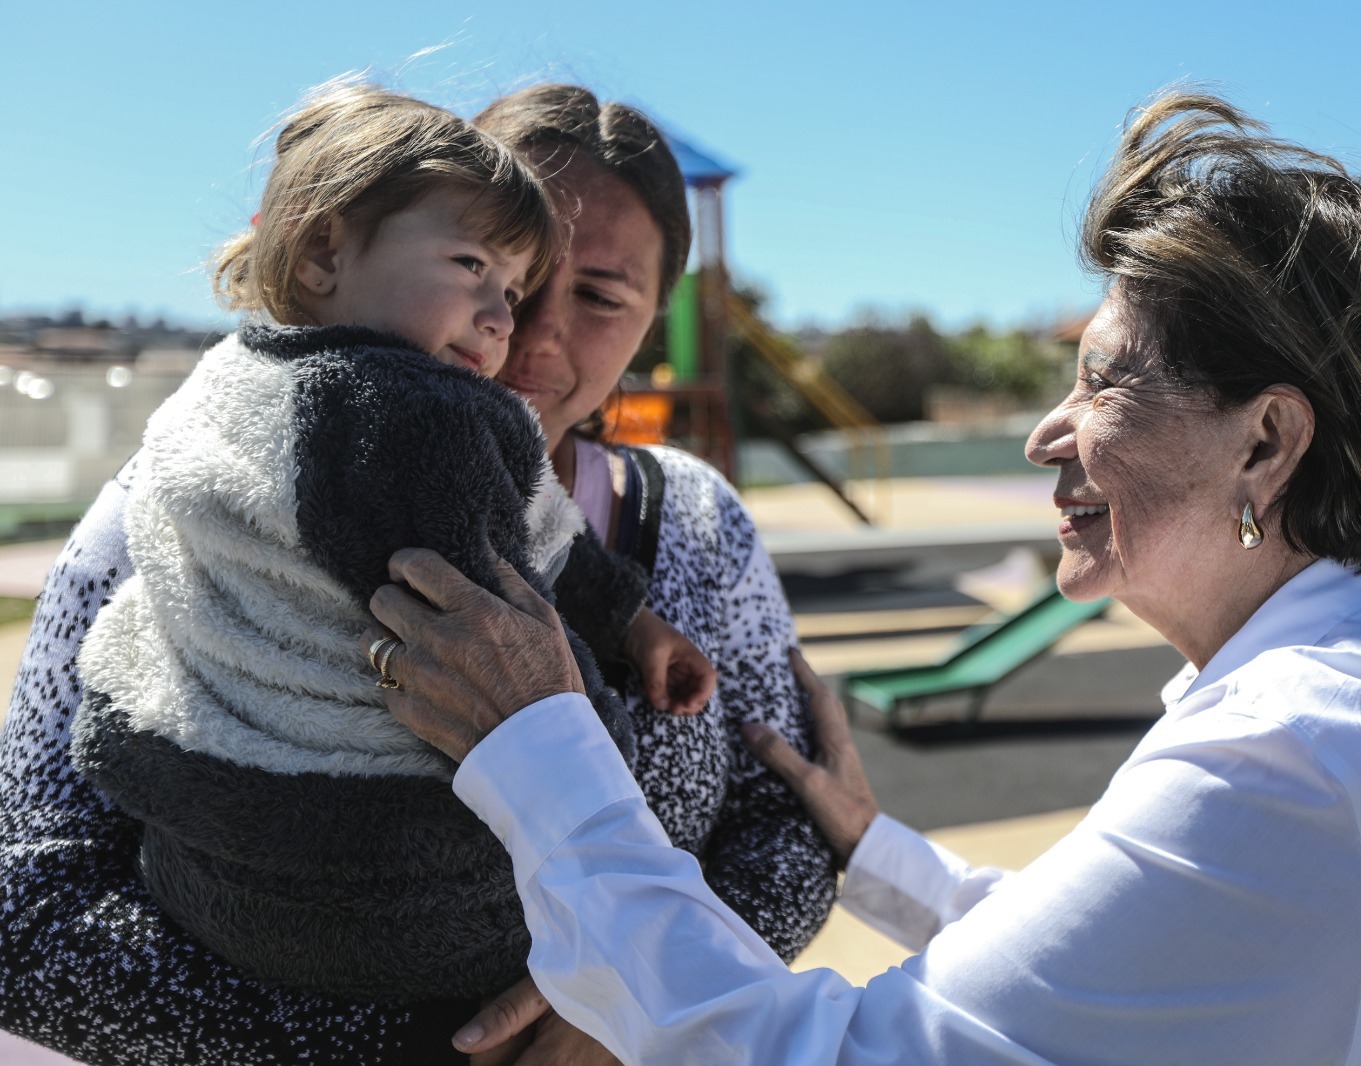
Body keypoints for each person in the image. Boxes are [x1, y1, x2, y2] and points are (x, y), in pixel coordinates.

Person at [370, 90, 1361, 1064]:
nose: (1043, 434)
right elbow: (1135, 974)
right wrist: (875, 849)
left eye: (1105, 381)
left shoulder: (1300, 756)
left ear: (1267, 443)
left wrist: (538, 743)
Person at [0, 83, 834, 1063]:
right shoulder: (198, 494)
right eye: (482, 269)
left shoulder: (695, 521)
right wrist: (410, 1042)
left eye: (598, 295)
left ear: (652, 324)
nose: (519, 329)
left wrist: (639, 1005)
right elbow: (22, 907)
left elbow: (797, 827)